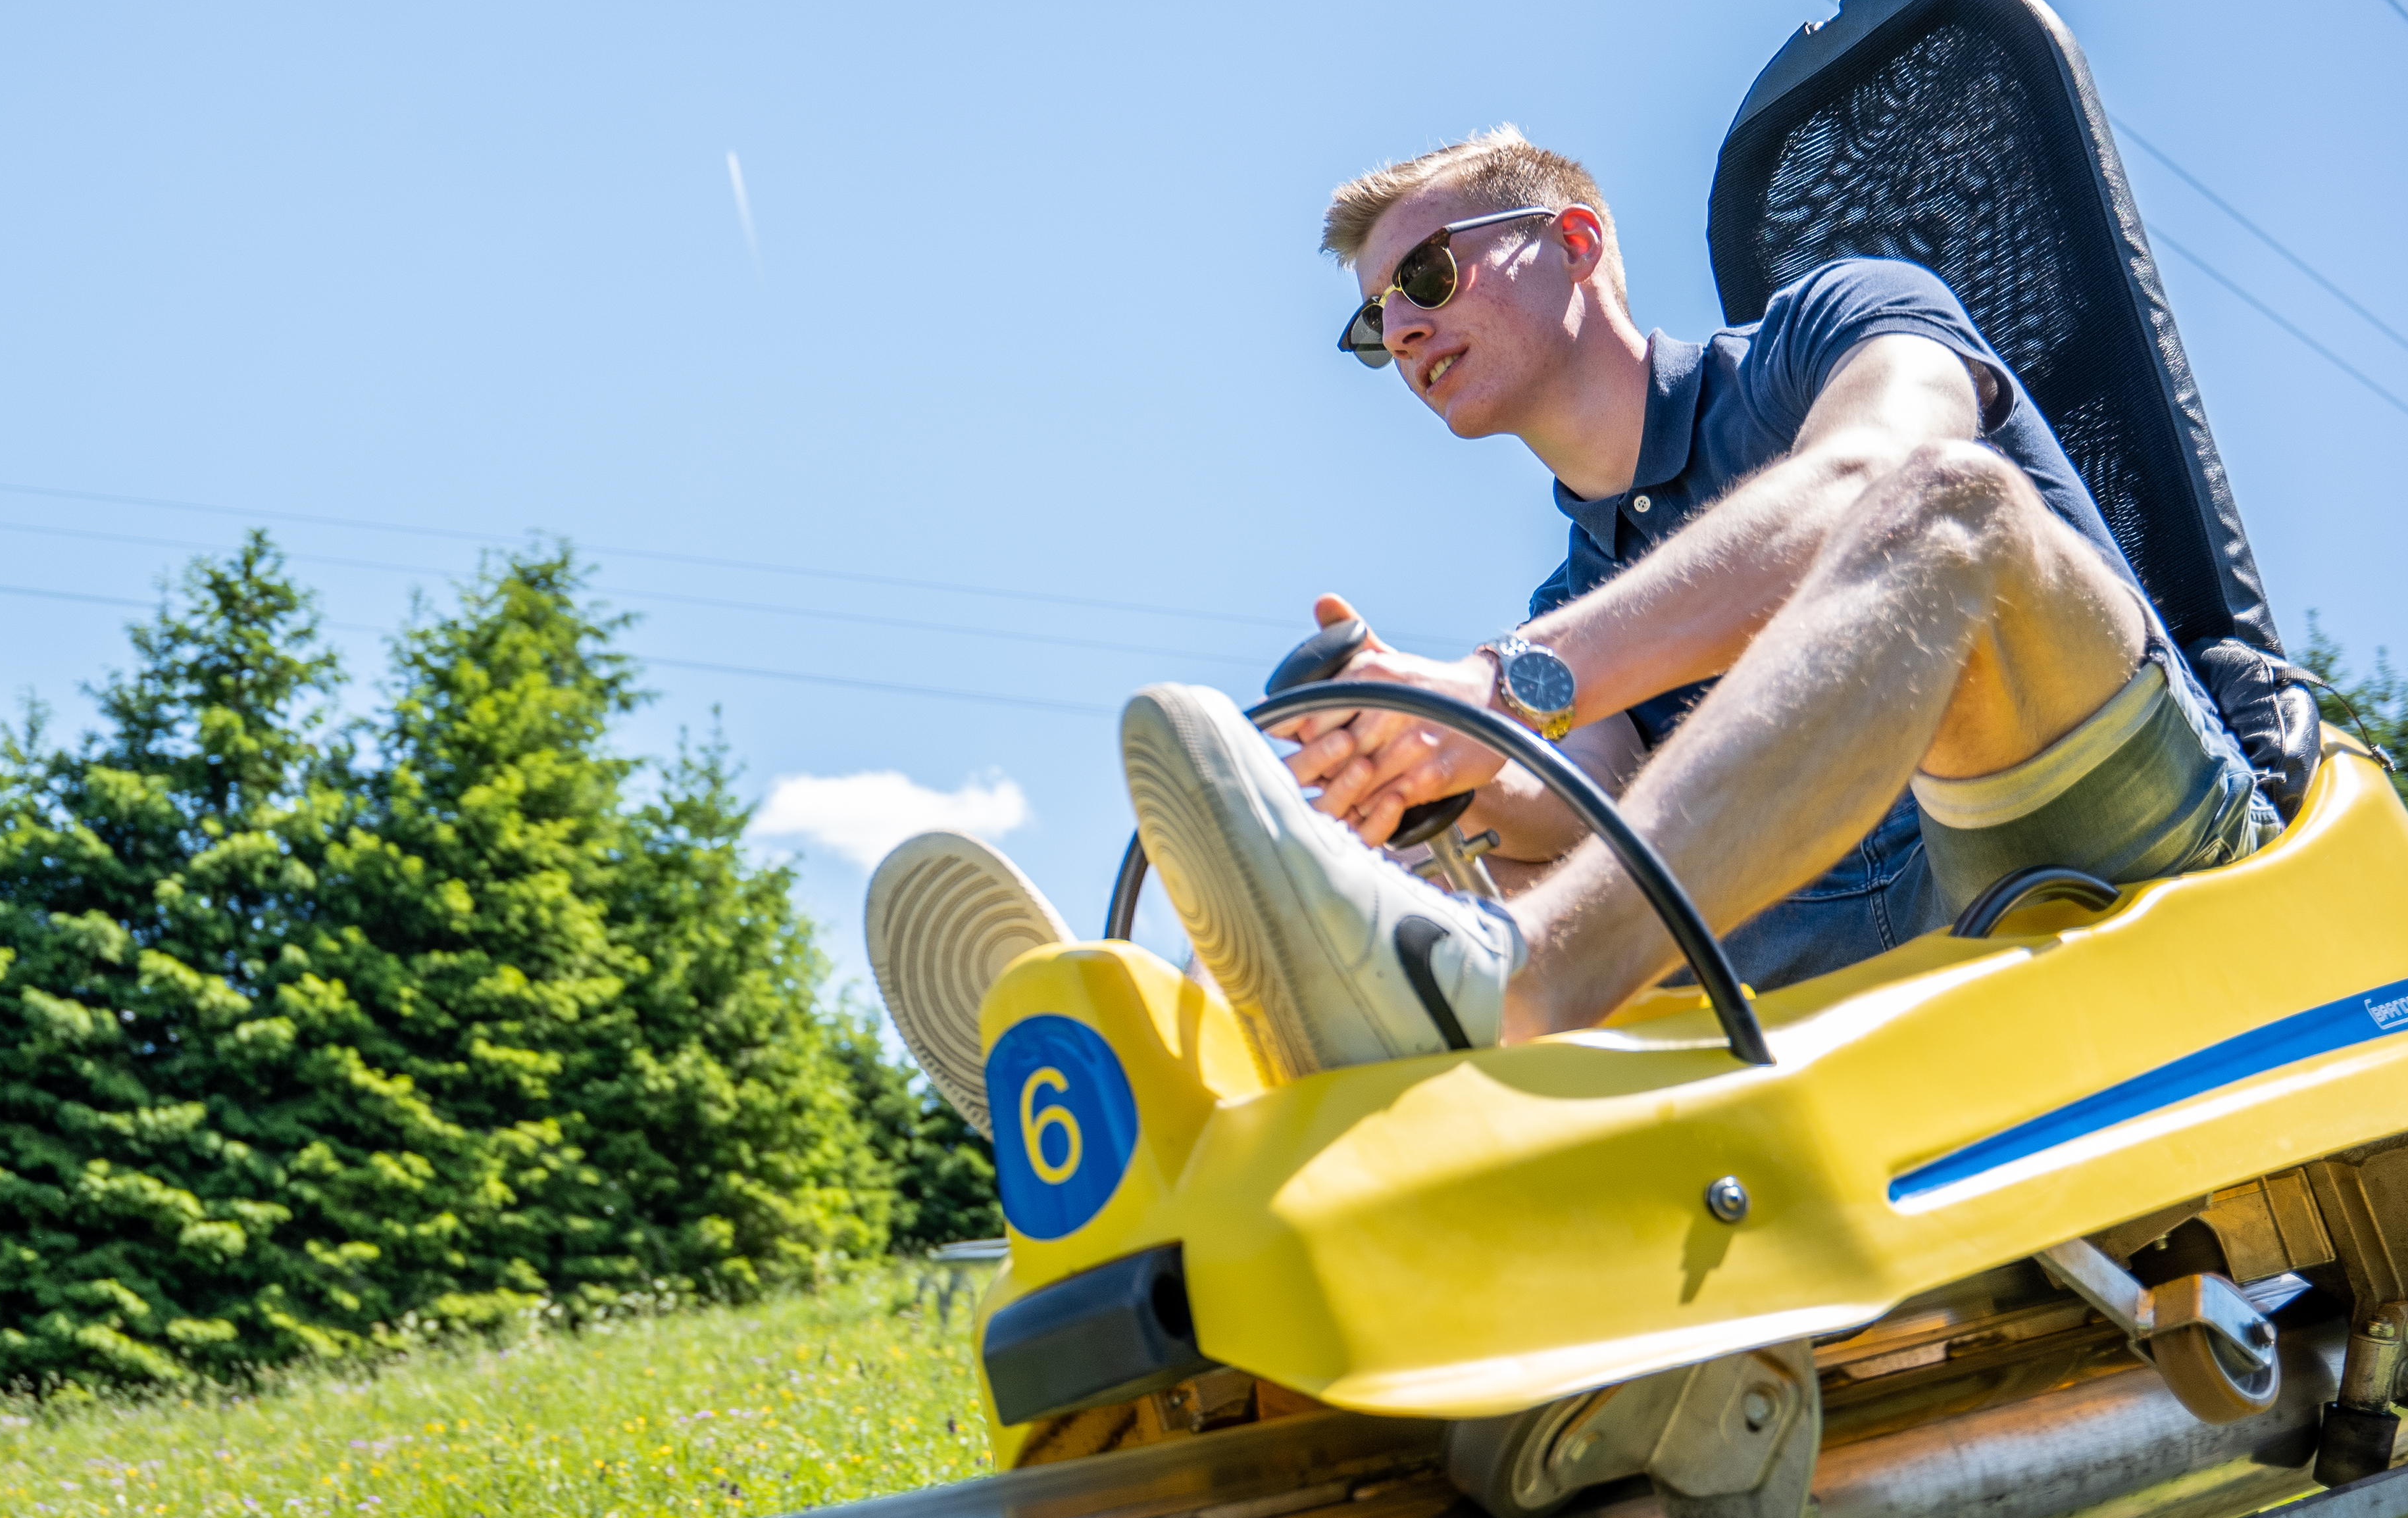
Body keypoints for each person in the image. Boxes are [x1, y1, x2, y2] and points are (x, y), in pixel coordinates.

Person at [866, 125, 2274, 1125]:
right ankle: (1185, 1061)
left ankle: (1509, 992)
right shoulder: (1575, 599)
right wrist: (1441, 766)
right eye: (1375, 329)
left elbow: (1872, 482)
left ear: (1576, 243)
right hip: (1852, 972)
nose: (1404, 334)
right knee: (1493, 841)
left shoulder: (1834, 325)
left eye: (1427, 279)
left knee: (1944, 505)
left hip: (2115, 854)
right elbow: (1586, 797)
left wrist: (1501, 680)